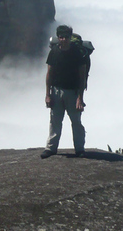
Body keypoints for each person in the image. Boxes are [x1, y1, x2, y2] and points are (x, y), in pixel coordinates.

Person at [41, 24, 87, 159]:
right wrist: (48, 95)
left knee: (76, 122)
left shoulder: (77, 53)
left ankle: (80, 149)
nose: (63, 40)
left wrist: (80, 98)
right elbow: (49, 73)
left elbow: (82, 76)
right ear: (58, 37)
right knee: (55, 120)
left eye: (66, 37)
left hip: (72, 93)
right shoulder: (54, 52)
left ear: (70, 37)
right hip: (56, 92)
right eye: (61, 37)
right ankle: (50, 148)